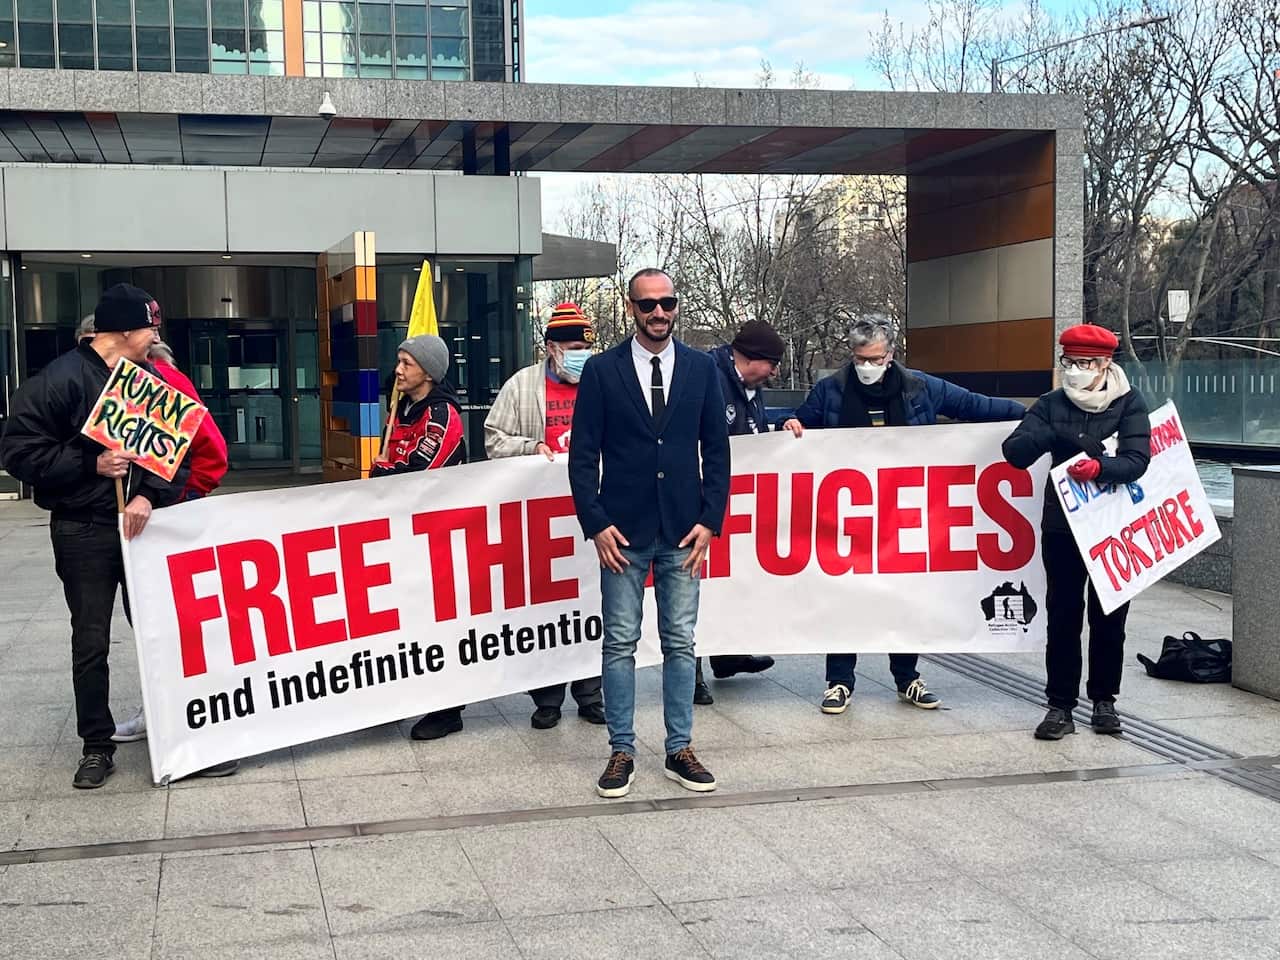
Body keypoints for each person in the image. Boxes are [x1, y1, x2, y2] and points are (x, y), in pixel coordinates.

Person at [782, 317, 1025, 716]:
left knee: (906, 593)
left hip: (904, 513)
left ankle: (907, 677)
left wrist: (1031, 415)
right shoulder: (831, 391)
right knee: (846, 596)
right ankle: (839, 681)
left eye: (875, 358)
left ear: (890, 354)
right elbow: (800, 422)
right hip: (849, 515)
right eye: (860, 358)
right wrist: (790, 424)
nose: (867, 366)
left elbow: (974, 407)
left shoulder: (920, 388)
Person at [0, 283, 190, 789]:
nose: (156, 335)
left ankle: (179, 734)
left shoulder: (149, 380)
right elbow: (17, 451)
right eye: (151, 326)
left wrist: (149, 494)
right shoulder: (58, 380)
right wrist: (90, 463)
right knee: (91, 641)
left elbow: (177, 455)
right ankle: (96, 746)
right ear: (125, 330)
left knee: (160, 634)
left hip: (141, 529)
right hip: (83, 530)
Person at [569, 267, 730, 798]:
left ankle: (679, 748)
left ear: (676, 306)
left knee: (680, 643)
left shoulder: (702, 368)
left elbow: (718, 451)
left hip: (685, 530)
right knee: (619, 644)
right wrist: (595, 523)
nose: (658, 312)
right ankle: (621, 751)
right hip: (622, 532)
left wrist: (711, 519)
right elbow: (582, 455)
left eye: (667, 303)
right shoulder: (600, 370)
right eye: (647, 305)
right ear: (631, 308)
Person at [1002, 324, 1151, 740]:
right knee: (1063, 615)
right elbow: (1014, 452)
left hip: (1113, 528)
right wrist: (1055, 436)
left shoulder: (1129, 403)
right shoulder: (1050, 404)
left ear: (1105, 364)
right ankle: (1060, 706)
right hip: (1063, 526)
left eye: (1085, 363)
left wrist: (1101, 468)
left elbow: (1139, 460)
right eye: (1069, 362)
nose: (1075, 371)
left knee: (1110, 616)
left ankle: (1105, 700)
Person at [483, 302, 606, 729]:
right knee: (547, 609)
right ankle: (548, 699)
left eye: (585, 348)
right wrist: (529, 448)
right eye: (572, 348)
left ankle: (591, 693)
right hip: (540, 519)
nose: (580, 355)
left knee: (592, 602)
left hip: (591, 513)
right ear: (550, 348)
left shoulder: (601, 383)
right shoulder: (520, 387)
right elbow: (493, 440)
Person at [110, 331, 231, 746]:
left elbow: (212, 454)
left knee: (165, 620)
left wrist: (178, 500)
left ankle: (177, 710)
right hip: (134, 522)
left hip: (160, 521)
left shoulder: (161, 382)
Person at [368, 334, 467, 741]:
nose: (399, 370)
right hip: (404, 534)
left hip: (438, 536)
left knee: (437, 622)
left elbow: (421, 471)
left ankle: (448, 708)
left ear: (428, 371)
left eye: (407, 363)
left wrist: (386, 475)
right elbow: (391, 462)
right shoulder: (402, 409)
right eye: (399, 361)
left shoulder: (442, 414)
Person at [692, 319, 783, 705]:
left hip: (735, 502)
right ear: (752, 359)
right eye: (772, 364)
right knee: (696, 587)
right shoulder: (708, 377)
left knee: (730, 581)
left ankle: (727, 654)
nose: (775, 372)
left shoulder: (749, 389)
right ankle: (691, 673)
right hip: (700, 501)